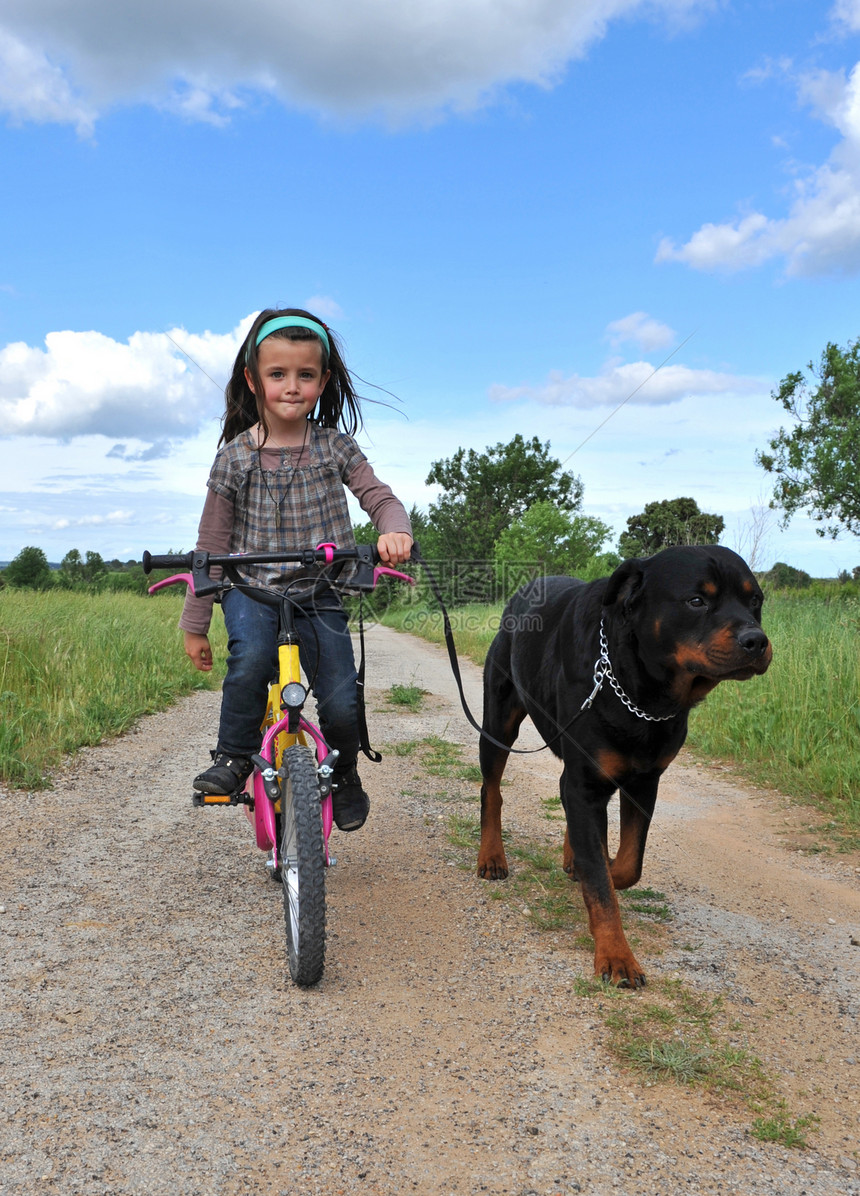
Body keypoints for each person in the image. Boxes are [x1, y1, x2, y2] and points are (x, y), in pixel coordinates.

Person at [180, 308, 413, 831]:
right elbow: (210, 545)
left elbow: (379, 497)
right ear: (253, 379)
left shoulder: (334, 446)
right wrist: (195, 624)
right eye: (277, 374)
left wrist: (393, 528)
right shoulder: (234, 458)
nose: (292, 386)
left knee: (339, 692)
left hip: (320, 590)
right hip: (250, 590)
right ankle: (233, 758)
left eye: (306, 375)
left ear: (323, 381)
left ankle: (345, 772)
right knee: (252, 659)